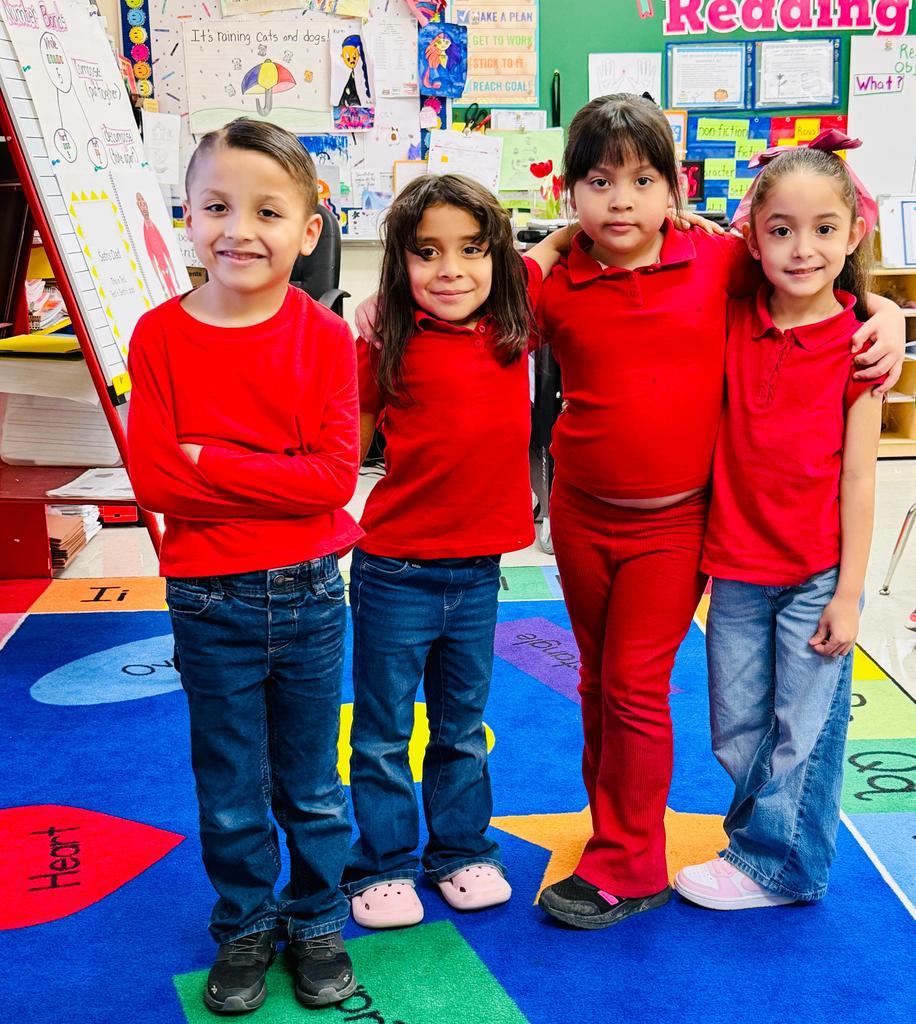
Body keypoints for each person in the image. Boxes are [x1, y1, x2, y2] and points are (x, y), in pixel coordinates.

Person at [532, 94, 904, 931]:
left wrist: (884, 311)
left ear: (675, 189)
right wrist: (547, 245)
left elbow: (822, 276)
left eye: (643, 180)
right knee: (598, 679)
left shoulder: (718, 262)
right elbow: (486, 312)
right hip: (583, 513)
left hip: (678, 525)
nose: (621, 201)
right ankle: (614, 830)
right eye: (599, 182)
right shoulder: (559, 279)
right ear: (569, 190)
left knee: (633, 685)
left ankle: (632, 863)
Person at [126, 118, 362, 1014]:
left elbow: (333, 480)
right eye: (217, 206)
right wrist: (275, 476)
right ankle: (246, 923)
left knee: (313, 784)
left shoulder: (323, 337)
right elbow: (156, 481)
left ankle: (317, 918)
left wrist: (210, 461)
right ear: (187, 216)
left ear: (308, 229)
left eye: (268, 211)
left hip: (310, 596)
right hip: (206, 599)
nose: (240, 230)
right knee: (228, 786)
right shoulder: (158, 337)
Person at [342, 174, 566, 928]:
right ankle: (381, 865)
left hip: (478, 575)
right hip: (394, 570)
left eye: (472, 250)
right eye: (427, 252)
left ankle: (461, 851)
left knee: (462, 727)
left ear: (497, 254)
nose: (451, 270)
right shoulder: (385, 340)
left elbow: (560, 243)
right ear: (399, 262)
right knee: (382, 733)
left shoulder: (514, 320)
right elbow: (347, 446)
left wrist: (678, 219)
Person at [674, 137, 883, 909]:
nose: (803, 249)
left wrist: (849, 595)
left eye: (825, 229)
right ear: (753, 237)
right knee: (736, 727)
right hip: (735, 567)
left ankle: (783, 866)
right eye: (782, 230)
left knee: (806, 729)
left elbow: (859, 477)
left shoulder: (861, 345)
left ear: (854, 233)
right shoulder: (732, 318)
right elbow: (680, 236)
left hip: (814, 574)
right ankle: (757, 846)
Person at [136, 191, 179, 299]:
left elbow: (165, 249)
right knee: (170, 293)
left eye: (144, 203)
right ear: (138, 207)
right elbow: (151, 256)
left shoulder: (154, 226)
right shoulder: (144, 229)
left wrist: (176, 278)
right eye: (140, 204)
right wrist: (161, 283)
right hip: (161, 268)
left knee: (174, 291)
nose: (143, 207)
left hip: (166, 266)